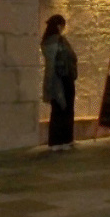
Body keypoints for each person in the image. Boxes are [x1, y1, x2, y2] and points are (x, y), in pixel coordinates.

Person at [41, 14, 78, 151]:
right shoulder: (60, 41)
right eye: (62, 25)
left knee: (57, 109)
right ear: (58, 26)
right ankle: (65, 139)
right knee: (66, 109)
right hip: (63, 78)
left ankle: (55, 141)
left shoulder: (46, 42)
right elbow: (70, 57)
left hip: (54, 79)